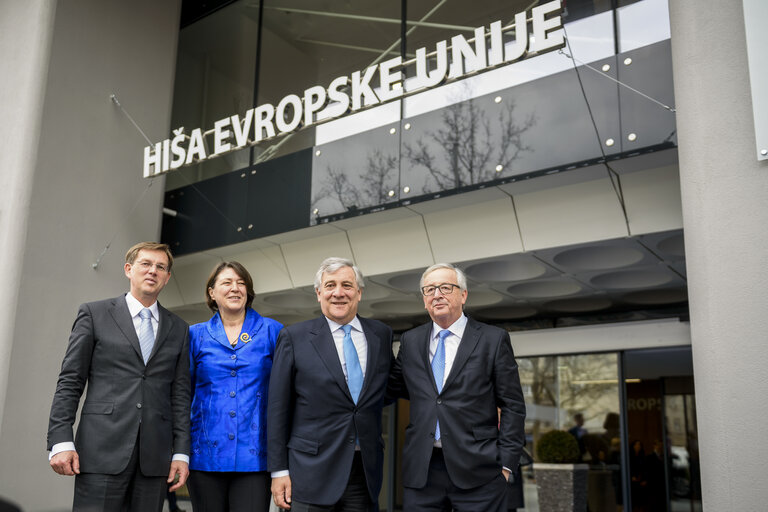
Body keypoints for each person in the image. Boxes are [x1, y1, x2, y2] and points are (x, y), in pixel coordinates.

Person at [47, 242, 190, 511]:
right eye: (145, 264)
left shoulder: (180, 329)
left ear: (168, 277)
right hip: (100, 451)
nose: (152, 271)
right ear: (128, 269)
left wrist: (181, 452)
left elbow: (180, 396)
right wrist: (60, 439)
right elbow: (70, 381)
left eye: (161, 267)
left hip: (154, 460)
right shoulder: (94, 314)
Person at [388, 263, 526, 512]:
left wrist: (506, 464)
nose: (436, 294)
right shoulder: (410, 341)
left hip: (479, 471)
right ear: (424, 300)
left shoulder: (492, 339)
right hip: (423, 472)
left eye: (445, 287)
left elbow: (513, 405)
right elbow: (393, 388)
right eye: (429, 289)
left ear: (463, 295)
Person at [268, 257, 393, 511]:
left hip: (363, 471)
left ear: (359, 293)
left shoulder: (380, 334)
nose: (338, 293)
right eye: (330, 285)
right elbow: (278, 408)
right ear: (318, 293)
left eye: (347, 285)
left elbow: (386, 390)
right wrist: (278, 470)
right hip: (310, 472)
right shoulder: (294, 337)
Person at [186, 261, 283, 511]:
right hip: (205, 456)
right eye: (227, 282)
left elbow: (286, 393)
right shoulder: (194, 335)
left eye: (241, 283)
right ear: (211, 292)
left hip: (256, 457)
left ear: (248, 291)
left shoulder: (273, 331)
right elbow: (181, 393)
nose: (235, 288)